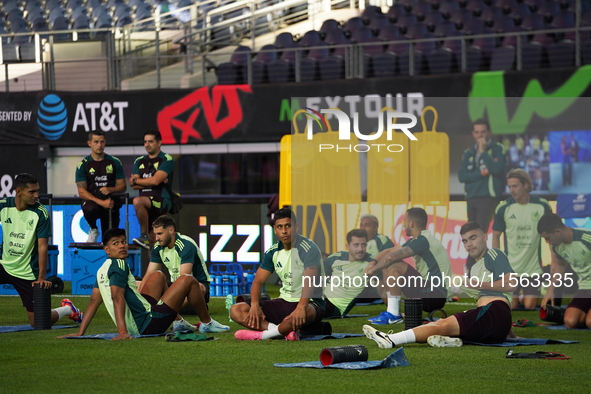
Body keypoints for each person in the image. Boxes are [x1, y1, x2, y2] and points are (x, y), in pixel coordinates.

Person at [364, 221, 515, 348]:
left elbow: (511, 284)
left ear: (484, 237)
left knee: (442, 325)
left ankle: (392, 339)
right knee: (444, 323)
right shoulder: (475, 267)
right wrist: (510, 333)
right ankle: (451, 341)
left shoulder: (493, 254)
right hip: (494, 320)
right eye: (465, 241)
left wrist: (480, 285)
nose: (469, 244)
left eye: (473, 238)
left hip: (495, 312)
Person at [58, 228, 229, 340]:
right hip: (149, 323)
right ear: (107, 249)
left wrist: (80, 332)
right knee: (188, 280)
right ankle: (207, 324)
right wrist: (123, 332)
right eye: (115, 244)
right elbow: (117, 298)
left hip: (141, 321)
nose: (122, 246)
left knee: (157, 276)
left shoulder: (102, 269)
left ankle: (179, 321)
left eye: (123, 242)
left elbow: (94, 301)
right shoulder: (119, 264)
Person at [0, 173, 83, 327]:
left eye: (37, 191)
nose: (36, 195)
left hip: (26, 273)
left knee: (37, 322)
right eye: (32, 192)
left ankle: (67, 309)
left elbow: (42, 247)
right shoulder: (4, 205)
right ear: (18, 192)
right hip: (3, 265)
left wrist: (41, 278)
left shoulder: (41, 213)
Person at [230, 208, 325, 340]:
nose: (284, 231)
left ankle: (264, 335)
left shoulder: (309, 248)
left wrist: (301, 307)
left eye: (288, 226)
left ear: (296, 227)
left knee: (301, 314)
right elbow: (258, 281)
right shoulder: (273, 251)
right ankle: (282, 330)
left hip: (310, 303)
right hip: (284, 301)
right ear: (275, 229)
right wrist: (255, 305)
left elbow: (309, 281)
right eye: (280, 227)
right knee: (236, 310)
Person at [364, 208, 452, 325]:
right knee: (387, 265)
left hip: (435, 296)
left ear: (411, 223)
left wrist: (373, 270)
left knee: (393, 264)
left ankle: (394, 315)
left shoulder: (423, 240)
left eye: (404, 221)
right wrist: (372, 263)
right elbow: (388, 251)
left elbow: (391, 257)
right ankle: (391, 311)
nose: (403, 225)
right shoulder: (419, 239)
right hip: (431, 292)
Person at [492, 169, 552, 310]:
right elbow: (495, 235)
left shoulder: (542, 206)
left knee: (530, 306)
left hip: (534, 270)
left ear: (526, 185)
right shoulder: (503, 207)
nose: (511, 190)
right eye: (509, 186)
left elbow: (551, 236)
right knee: (511, 306)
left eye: (515, 186)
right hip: (510, 270)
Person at [138, 215, 210, 331]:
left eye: (160, 234)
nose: (156, 238)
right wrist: (140, 302)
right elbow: (149, 274)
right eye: (156, 234)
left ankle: (169, 312)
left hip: (195, 288)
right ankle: (178, 319)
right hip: (174, 286)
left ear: (171, 230)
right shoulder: (158, 247)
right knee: (137, 284)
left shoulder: (185, 245)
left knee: (197, 287)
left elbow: (184, 280)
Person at [458, 118, 505, 271]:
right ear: (473, 133)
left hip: (488, 197)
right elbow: (462, 176)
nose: (480, 136)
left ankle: (475, 268)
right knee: (470, 233)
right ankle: (473, 269)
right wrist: (483, 172)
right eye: (477, 132)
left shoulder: (497, 148)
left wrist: (484, 152)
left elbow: (497, 169)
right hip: (471, 198)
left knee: (478, 233)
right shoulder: (468, 152)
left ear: (489, 132)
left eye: (483, 132)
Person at [538, 213, 591, 329]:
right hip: (584, 288)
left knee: (590, 322)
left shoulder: (587, 239)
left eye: (548, 238)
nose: (547, 242)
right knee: (570, 321)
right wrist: (550, 291)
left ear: (558, 232)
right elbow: (561, 265)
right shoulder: (557, 246)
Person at [75, 130, 126, 243]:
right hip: (92, 201)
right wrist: (101, 202)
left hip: (110, 203)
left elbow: (123, 186)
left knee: (110, 239)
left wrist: (111, 189)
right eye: (96, 142)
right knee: (90, 208)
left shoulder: (114, 162)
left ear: (105, 142)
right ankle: (93, 228)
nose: (99, 145)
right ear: (89, 143)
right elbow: (82, 192)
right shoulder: (83, 165)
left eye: (102, 142)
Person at [129, 130, 175, 249]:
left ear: (159, 142)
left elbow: (154, 181)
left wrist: (143, 181)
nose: (147, 145)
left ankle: (142, 235)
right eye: (145, 142)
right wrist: (154, 181)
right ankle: (156, 268)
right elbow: (133, 185)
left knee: (137, 201)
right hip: (147, 204)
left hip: (161, 200)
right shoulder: (139, 161)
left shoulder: (166, 159)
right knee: (154, 241)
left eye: (150, 141)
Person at [324, 229, 374, 318]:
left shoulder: (371, 263)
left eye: (363, 245)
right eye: (356, 245)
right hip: (321, 298)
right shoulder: (335, 258)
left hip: (335, 307)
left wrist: (393, 312)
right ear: (347, 246)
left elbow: (384, 288)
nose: (360, 249)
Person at [358, 213, 395, 304]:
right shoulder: (357, 242)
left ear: (376, 227)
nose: (363, 228)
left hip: (375, 281)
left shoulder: (381, 239)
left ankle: (392, 308)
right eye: (361, 225)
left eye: (367, 225)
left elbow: (392, 256)